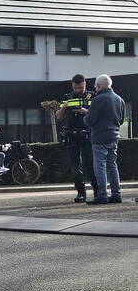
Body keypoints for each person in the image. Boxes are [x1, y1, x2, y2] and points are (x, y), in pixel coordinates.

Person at [84, 74, 126, 204]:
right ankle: (116, 194)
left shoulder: (98, 99)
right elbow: (121, 120)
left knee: (100, 166)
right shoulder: (120, 100)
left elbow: (90, 121)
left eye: (96, 86)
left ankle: (102, 195)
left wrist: (86, 114)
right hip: (114, 136)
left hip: (99, 137)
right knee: (112, 165)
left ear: (99, 86)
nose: (95, 88)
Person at [56, 74, 96, 203]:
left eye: (81, 87)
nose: (78, 90)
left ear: (85, 84)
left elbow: (99, 114)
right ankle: (81, 193)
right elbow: (59, 116)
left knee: (91, 164)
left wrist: (87, 112)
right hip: (72, 135)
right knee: (75, 165)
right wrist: (64, 107)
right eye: (76, 87)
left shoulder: (93, 96)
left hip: (88, 134)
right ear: (72, 85)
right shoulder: (67, 97)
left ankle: (97, 192)